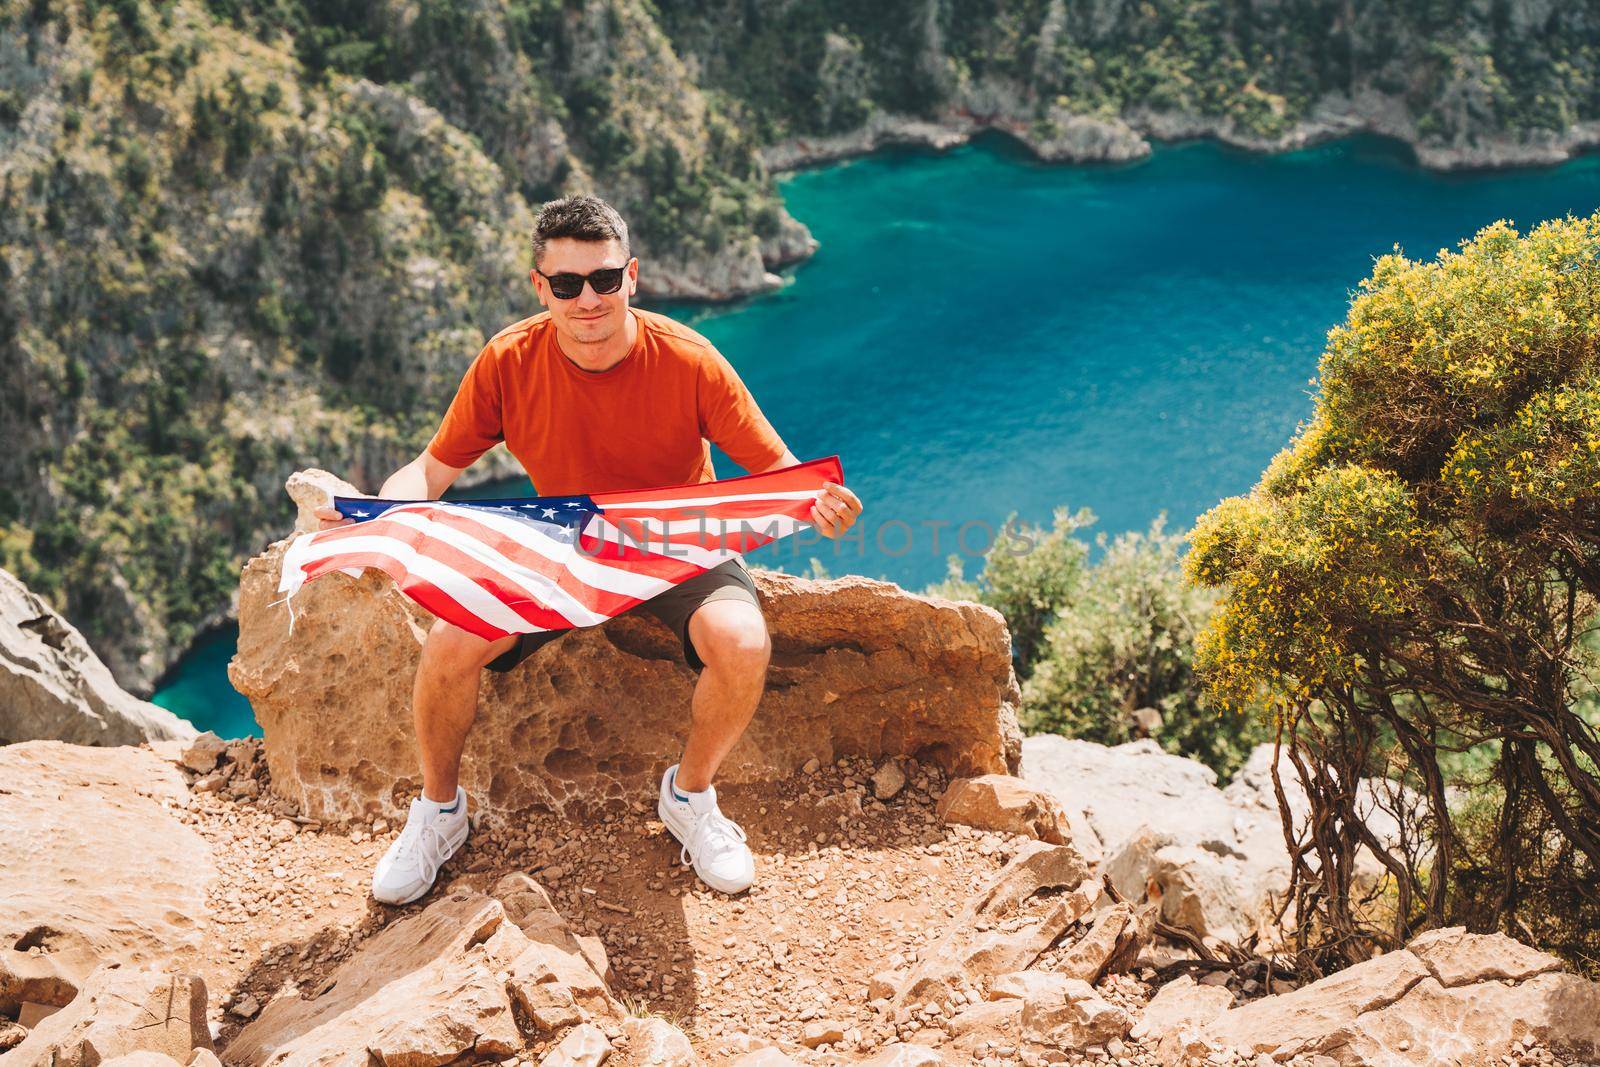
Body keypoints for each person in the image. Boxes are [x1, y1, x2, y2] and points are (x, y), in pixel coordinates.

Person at [314, 195, 863, 906]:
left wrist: (821, 506)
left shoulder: (690, 361)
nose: (588, 299)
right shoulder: (508, 360)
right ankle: (439, 812)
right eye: (567, 284)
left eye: (603, 279)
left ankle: (690, 796)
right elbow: (430, 472)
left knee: (743, 640)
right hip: (556, 550)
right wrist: (380, 515)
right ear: (540, 289)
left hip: (676, 545)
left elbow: (780, 476)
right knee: (451, 642)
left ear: (632, 276)